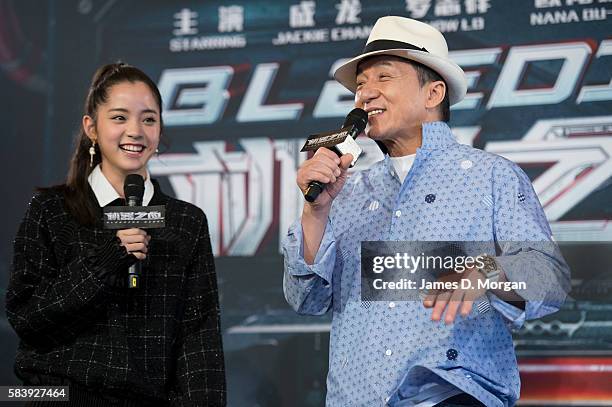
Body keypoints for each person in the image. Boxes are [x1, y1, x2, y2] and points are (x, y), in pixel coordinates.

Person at [283, 16, 570, 407]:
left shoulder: (491, 176)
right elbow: (306, 299)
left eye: (383, 78)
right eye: (361, 84)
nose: (365, 94)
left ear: (433, 93)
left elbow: (548, 277)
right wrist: (314, 212)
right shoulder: (348, 191)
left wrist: (485, 270)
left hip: (452, 394)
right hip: (357, 397)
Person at [6, 62, 225, 406]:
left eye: (148, 119)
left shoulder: (186, 221)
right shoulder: (50, 210)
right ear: (91, 128)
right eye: (120, 117)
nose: (135, 131)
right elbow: (27, 317)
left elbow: (199, 339)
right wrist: (107, 259)